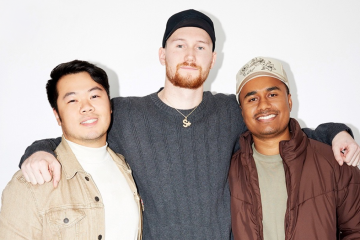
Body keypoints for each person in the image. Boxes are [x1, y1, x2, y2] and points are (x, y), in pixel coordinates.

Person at [18, 10, 360, 240]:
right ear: (163, 54)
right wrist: (37, 152)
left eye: (201, 47)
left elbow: (284, 130)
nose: (190, 55)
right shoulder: (125, 114)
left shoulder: (230, 109)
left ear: (213, 58)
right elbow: (76, 135)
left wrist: (336, 131)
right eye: (179, 45)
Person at [0, 60, 142, 240]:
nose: (86, 107)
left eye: (95, 96)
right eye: (73, 100)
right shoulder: (30, 182)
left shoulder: (127, 168)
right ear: (57, 115)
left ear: (110, 104)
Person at [229, 57, 360, 240]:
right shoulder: (229, 171)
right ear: (242, 111)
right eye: (252, 98)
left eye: (272, 94)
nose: (264, 105)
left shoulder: (335, 162)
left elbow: (355, 231)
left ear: (289, 101)